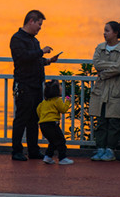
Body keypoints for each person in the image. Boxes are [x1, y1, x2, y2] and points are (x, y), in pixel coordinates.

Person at [10, 9, 60, 161]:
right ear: (31, 21)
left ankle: (33, 150)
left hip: (36, 85)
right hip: (24, 85)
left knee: (34, 119)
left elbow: (34, 60)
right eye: (39, 24)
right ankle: (17, 151)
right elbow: (23, 58)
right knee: (21, 119)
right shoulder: (17, 39)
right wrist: (41, 52)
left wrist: (47, 61)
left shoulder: (33, 40)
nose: (40, 28)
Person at [89, 20, 120, 162]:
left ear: (115, 33)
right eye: (104, 30)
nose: (104, 33)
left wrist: (104, 72)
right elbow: (97, 63)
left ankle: (110, 150)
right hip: (102, 89)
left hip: (116, 89)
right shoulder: (100, 47)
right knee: (101, 120)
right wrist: (112, 66)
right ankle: (100, 148)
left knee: (114, 121)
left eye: (107, 30)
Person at [37, 79, 73, 165]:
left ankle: (48, 157)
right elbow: (63, 110)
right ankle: (62, 158)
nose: (61, 87)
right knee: (61, 141)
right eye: (60, 86)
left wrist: (43, 118)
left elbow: (38, 110)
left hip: (43, 125)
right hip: (52, 124)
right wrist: (68, 102)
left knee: (53, 141)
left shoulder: (43, 102)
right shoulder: (57, 100)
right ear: (56, 91)